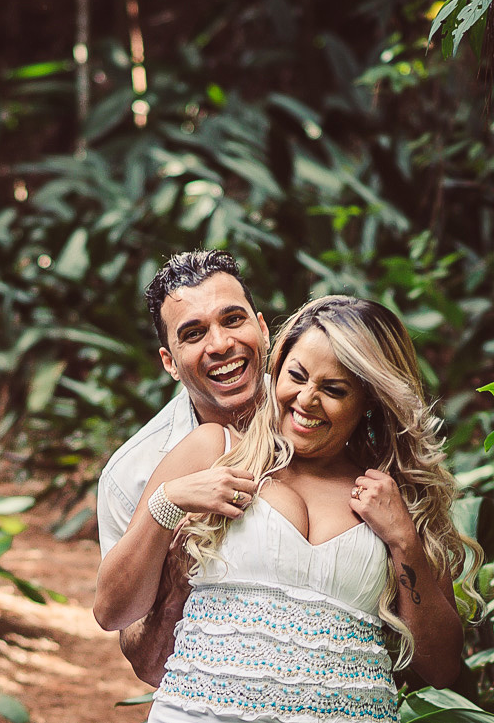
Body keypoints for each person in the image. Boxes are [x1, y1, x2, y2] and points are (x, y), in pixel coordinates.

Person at [94, 295, 479, 722]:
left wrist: (404, 540)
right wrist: (167, 502)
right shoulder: (216, 451)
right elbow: (112, 611)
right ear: (276, 367)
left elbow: (441, 667)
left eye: (334, 390)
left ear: (370, 399)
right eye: (296, 375)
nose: (306, 399)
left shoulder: (392, 497)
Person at [97, 250, 269, 682]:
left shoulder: (321, 418)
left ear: (263, 329)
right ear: (169, 362)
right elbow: (144, 660)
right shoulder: (132, 473)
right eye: (193, 333)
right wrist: (173, 560)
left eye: (233, 320)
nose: (220, 344)